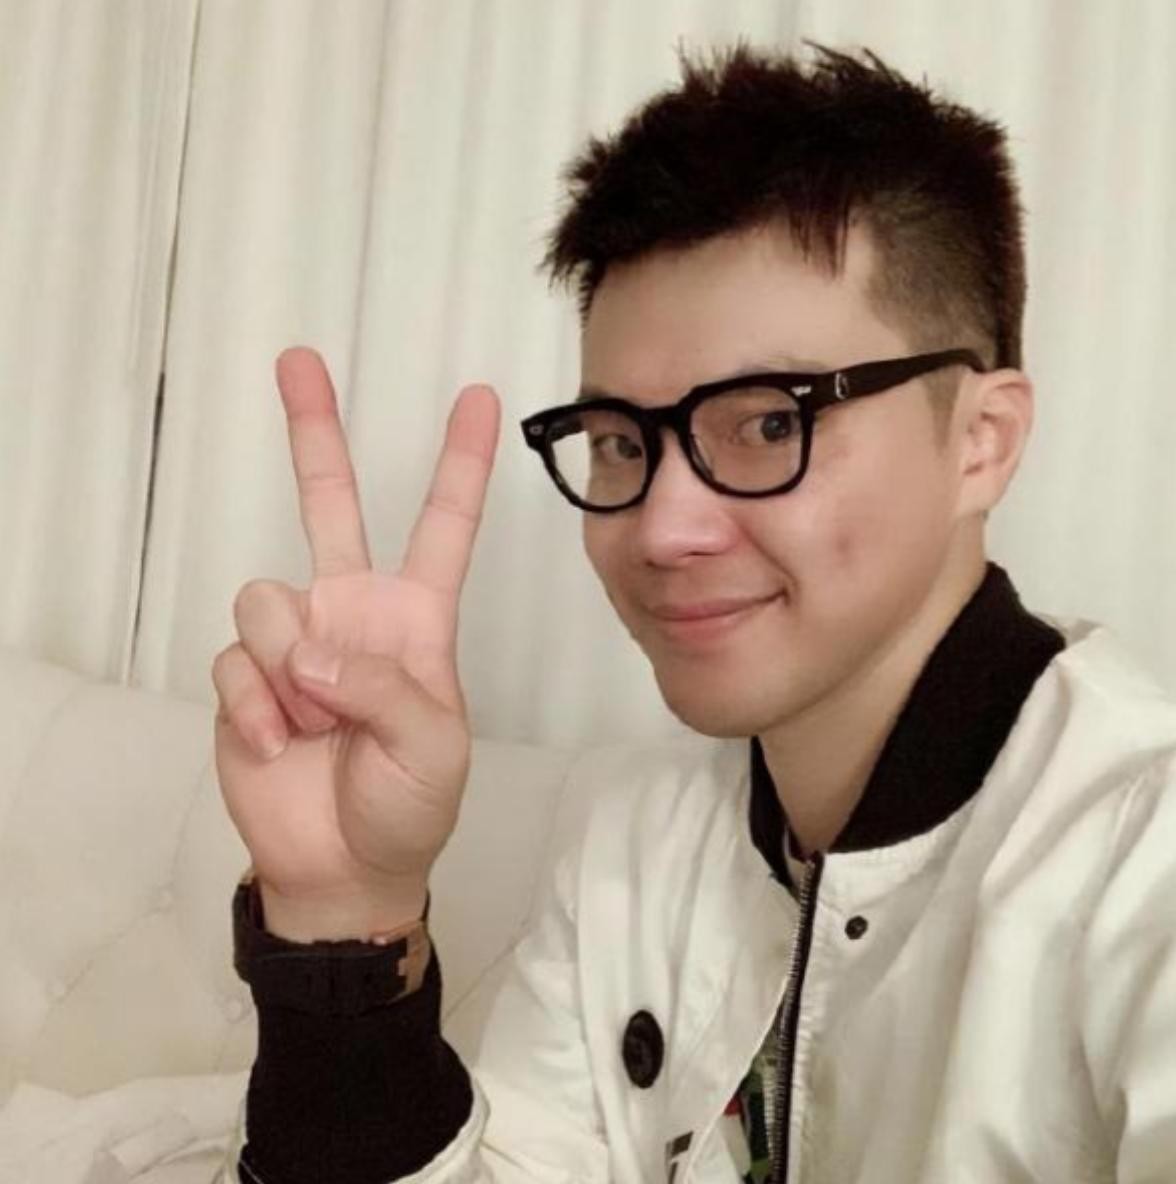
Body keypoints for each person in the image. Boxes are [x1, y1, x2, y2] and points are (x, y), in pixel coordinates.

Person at [211, 43, 1176, 1184]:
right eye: (621, 442)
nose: (663, 528)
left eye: (769, 423)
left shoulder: (1140, 861)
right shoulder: (637, 842)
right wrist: (344, 923)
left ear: (981, 441)